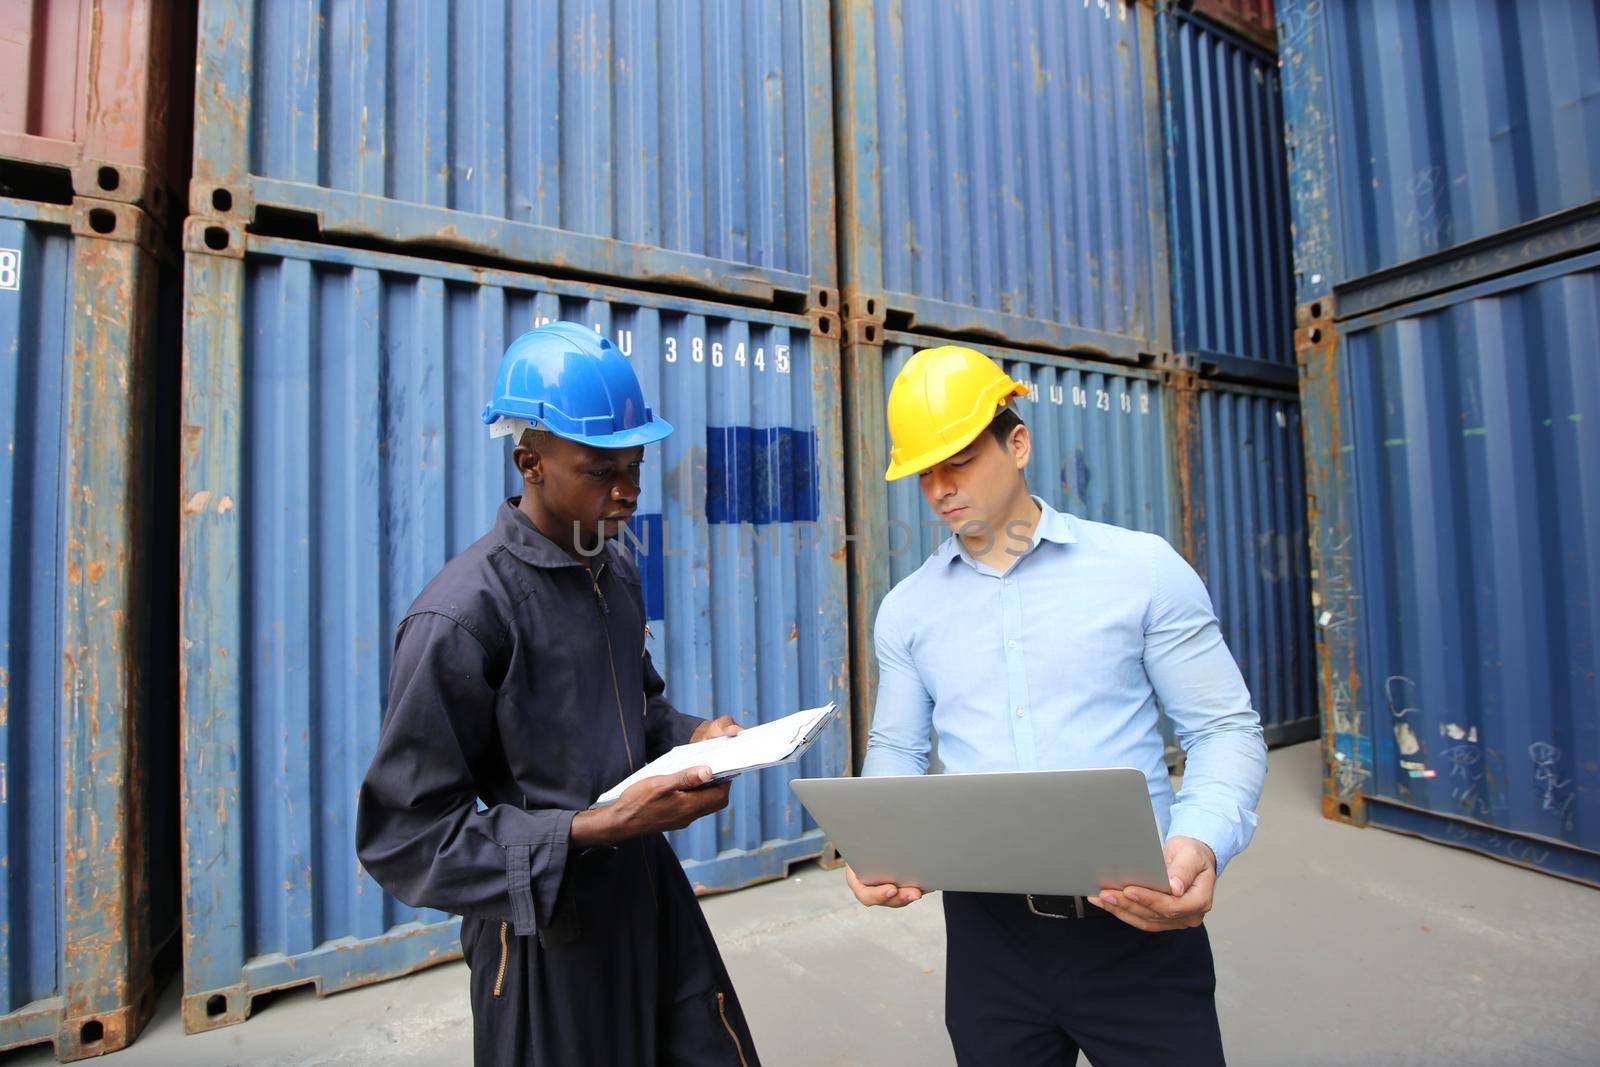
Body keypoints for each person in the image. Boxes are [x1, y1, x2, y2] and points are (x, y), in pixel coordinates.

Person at [845, 345, 1267, 1066]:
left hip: (1135, 921)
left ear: (1019, 443)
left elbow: (1224, 727)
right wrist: (878, 840)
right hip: (989, 939)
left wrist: (1199, 838)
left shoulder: (1141, 571)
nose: (942, 487)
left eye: (960, 459)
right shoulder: (907, 610)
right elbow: (899, 748)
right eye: (925, 472)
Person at [357, 322, 759, 1066]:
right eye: (602, 469)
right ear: (530, 462)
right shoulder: (461, 616)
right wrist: (586, 830)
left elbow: (637, 715)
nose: (629, 492)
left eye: (636, 465)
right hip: (543, 941)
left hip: (647, 900)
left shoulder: (616, 572)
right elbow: (405, 838)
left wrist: (695, 735)